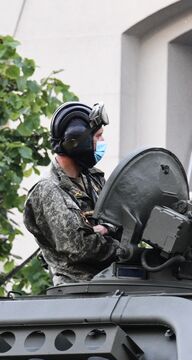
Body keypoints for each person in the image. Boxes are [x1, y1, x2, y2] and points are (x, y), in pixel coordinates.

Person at [23, 101, 122, 285]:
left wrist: (106, 228)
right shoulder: (48, 190)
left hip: (113, 283)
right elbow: (79, 247)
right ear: (76, 141)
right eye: (98, 136)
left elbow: (121, 220)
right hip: (79, 291)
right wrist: (125, 249)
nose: (102, 143)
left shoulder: (94, 178)